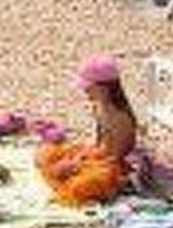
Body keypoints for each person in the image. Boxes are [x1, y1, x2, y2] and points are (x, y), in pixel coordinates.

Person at [36, 56, 138, 206]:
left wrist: (80, 164)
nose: (84, 90)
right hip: (96, 155)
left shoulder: (118, 117)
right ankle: (62, 179)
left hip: (111, 165)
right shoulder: (99, 106)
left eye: (88, 87)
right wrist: (78, 158)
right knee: (46, 155)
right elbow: (98, 143)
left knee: (82, 186)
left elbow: (114, 156)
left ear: (103, 89)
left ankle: (66, 183)